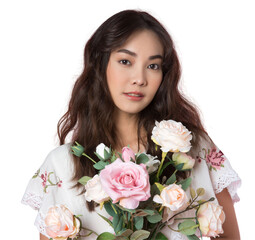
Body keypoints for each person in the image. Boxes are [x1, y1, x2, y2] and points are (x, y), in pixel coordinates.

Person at [21, 10, 241, 240]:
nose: (139, 78)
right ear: (100, 65)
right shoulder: (62, 164)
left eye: (153, 66)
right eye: (125, 61)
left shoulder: (192, 148)